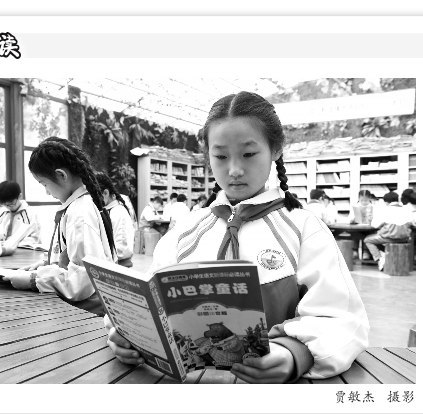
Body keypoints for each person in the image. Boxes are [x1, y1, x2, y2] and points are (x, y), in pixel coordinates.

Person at [104, 91, 369, 383]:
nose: (234, 170)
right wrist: (130, 333)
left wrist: (294, 354)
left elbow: (342, 319)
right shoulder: (185, 231)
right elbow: (149, 301)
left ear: (276, 149)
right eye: (220, 156)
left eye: (248, 154)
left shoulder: (304, 228)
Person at [4, 137, 118, 316]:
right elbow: (71, 258)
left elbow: (82, 281)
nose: (47, 192)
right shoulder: (78, 206)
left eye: (44, 184)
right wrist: (46, 265)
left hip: (86, 313)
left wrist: (34, 280)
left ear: (62, 175)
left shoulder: (80, 213)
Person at [364, 191, 413, 271]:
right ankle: (384, 255)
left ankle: (380, 259)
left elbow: (375, 225)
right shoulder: (407, 209)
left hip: (389, 238)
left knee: (367, 239)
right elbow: (412, 223)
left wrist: (371, 219)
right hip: (405, 238)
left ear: (386, 202)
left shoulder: (385, 210)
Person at [0, 180, 42, 256]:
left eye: (11, 204)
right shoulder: (1, 213)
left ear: (19, 196)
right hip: (3, 252)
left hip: (24, 255)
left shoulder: (31, 214)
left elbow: (35, 240)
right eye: (4, 204)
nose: (7, 207)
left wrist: (13, 242)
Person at [96, 172, 135, 267]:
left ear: (105, 193)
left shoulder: (118, 212)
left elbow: (121, 249)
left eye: (95, 196)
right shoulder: (108, 210)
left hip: (119, 266)